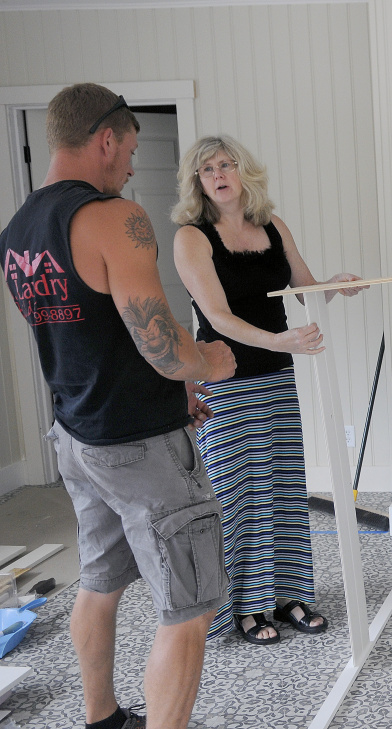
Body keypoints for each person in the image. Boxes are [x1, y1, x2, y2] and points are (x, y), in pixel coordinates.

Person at [0, 83, 236, 729]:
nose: (133, 164)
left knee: (98, 584)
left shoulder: (16, 230)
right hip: (142, 447)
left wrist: (172, 382)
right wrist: (208, 361)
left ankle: (102, 718)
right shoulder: (112, 217)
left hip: (79, 438)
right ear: (106, 139)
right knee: (189, 607)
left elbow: (91, 335)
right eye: (130, 148)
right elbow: (161, 344)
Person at [170, 135, 364, 645]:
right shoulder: (191, 238)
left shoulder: (272, 226)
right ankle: (242, 608)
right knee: (236, 498)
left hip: (277, 374)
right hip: (226, 377)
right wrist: (278, 338)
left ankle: (288, 596)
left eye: (226, 164)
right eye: (207, 168)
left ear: (243, 171)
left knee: (280, 490)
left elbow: (302, 285)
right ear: (198, 182)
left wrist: (334, 285)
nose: (218, 173)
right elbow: (216, 315)